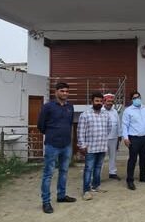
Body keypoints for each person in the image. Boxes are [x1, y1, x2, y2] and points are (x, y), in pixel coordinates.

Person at [38, 82, 76, 214]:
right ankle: (46, 202)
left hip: (66, 145)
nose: (65, 93)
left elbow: (70, 124)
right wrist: (52, 134)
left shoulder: (70, 107)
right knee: (48, 174)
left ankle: (61, 196)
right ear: (56, 92)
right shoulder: (48, 107)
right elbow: (40, 125)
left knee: (64, 171)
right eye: (62, 91)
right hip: (52, 145)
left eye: (67, 91)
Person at [77, 92, 111, 200]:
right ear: (92, 101)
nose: (99, 103)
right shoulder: (85, 114)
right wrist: (82, 145)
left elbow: (109, 128)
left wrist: (103, 138)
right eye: (96, 101)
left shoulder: (106, 114)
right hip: (90, 147)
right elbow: (80, 131)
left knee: (98, 167)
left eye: (101, 101)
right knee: (88, 168)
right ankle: (86, 191)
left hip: (101, 146)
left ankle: (96, 186)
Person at [122, 91, 145, 190]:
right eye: (134, 98)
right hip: (134, 138)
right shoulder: (128, 111)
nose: (137, 99)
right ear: (131, 100)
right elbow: (125, 125)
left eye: (138, 97)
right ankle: (130, 180)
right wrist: (125, 138)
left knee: (144, 159)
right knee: (133, 159)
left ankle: (143, 176)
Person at [103, 93, 122, 181]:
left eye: (111, 101)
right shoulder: (101, 110)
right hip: (103, 138)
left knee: (113, 156)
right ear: (104, 101)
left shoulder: (114, 111)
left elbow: (118, 123)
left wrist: (119, 135)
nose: (110, 103)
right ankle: (97, 174)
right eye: (108, 101)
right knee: (101, 157)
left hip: (114, 137)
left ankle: (112, 173)